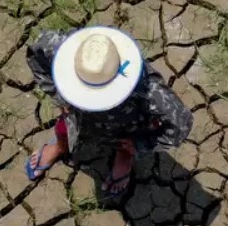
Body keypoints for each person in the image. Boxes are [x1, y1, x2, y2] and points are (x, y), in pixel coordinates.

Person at [23, 26, 192, 197]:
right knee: (64, 129)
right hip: (76, 116)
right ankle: (61, 146)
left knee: (123, 144)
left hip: (123, 126)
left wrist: (141, 144)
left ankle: (124, 156)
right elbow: (36, 53)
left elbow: (181, 123)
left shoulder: (148, 89)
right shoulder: (65, 51)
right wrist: (60, 97)